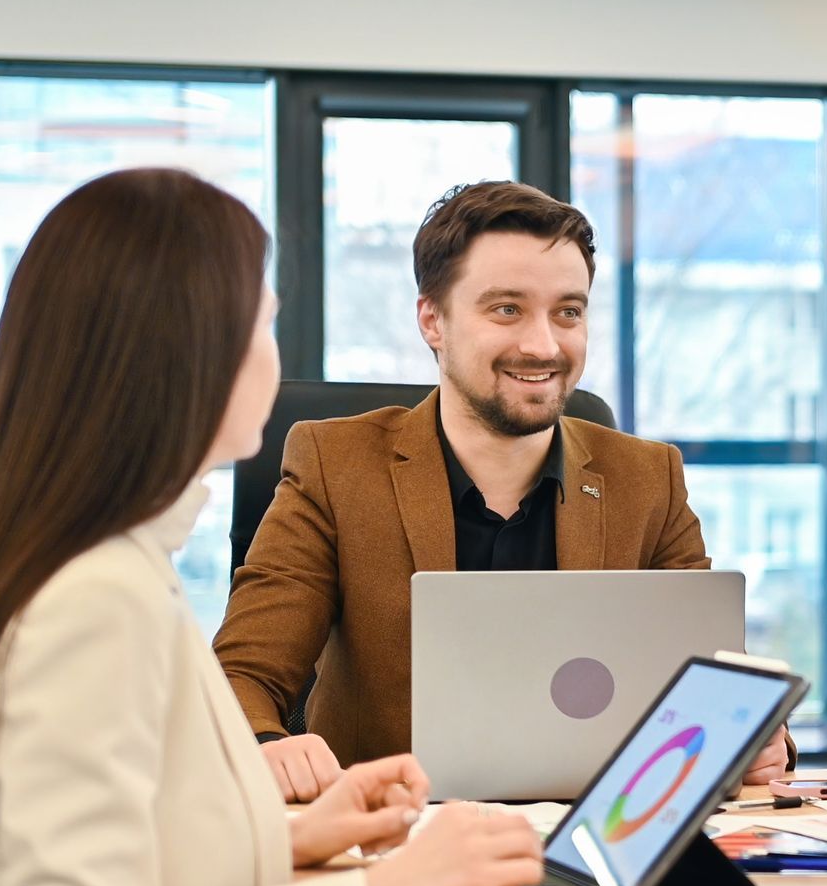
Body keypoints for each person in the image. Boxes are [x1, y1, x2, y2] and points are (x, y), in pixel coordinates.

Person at [0, 169, 544, 886]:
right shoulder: (94, 602)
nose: (274, 359)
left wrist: (282, 834)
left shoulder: (92, 563)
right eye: (264, 325)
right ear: (188, 352)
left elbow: (87, 861)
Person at [214, 181, 795, 801]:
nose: (544, 345)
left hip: (593, 847)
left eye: (568, 312)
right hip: (397, 845)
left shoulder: (648, 480)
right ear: (432, 320)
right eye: (507, 309)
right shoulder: (337, 467)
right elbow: (240, 677)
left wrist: (758, 741)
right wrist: (267, 747)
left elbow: (709, 690)